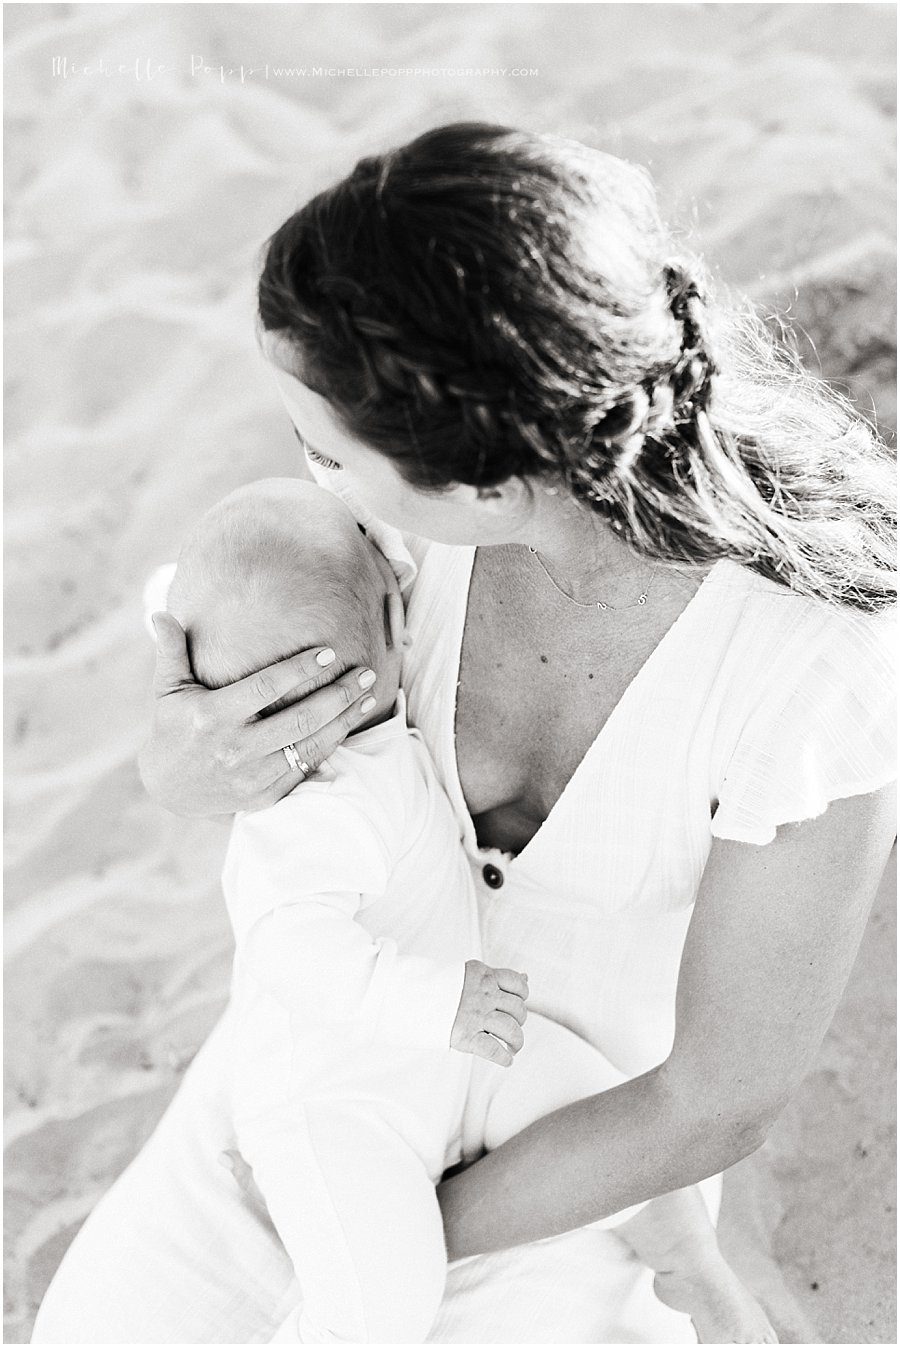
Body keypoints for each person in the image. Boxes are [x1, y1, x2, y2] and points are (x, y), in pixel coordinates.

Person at [32, 122, 896, 1345]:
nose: (313, 475)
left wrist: (407, 1233)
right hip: (318, 1092)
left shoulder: (813, 668)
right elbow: (190, 726)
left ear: (488, 487)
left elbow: (715, 1097)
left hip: (579, 1155)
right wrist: (183, 758)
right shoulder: (367, 545)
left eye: (331, 447)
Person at [168, 475, 774, 1344]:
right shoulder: (306, 814)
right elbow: (287, 950)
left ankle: (693, 1266)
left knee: (590, 1099)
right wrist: (435, 1004)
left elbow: (258, 582)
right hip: (346, 1094)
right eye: (269, 696)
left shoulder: (363, 701)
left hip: (459, 1059)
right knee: (384, 1305)